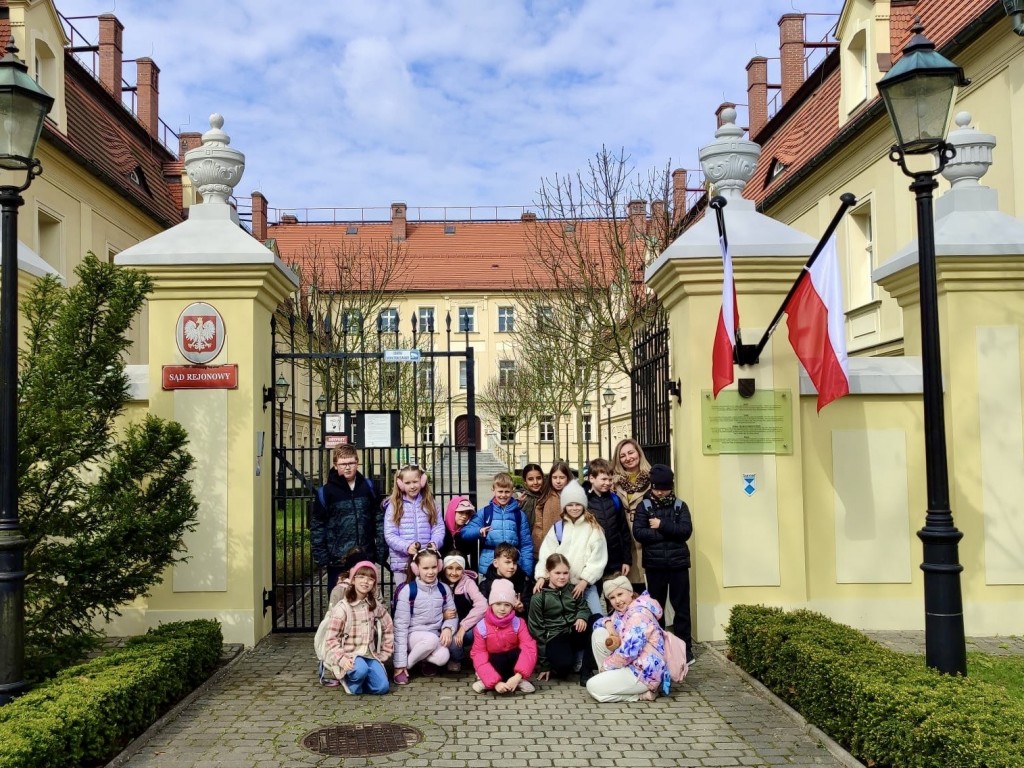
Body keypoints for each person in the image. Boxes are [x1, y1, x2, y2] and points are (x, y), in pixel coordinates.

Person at [633, 463, 695, 665]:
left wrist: (662, 526)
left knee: (681, 608)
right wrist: (670, 534)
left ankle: (685, 649)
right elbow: (639, 533)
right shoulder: (645, 506)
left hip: (678, 565)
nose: (660, 492)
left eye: (664, 488)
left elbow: (685, 532)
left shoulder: (680, 506)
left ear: (671, 487)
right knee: (656, 608)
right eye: (656, 488)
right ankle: (657, 645)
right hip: (655, 565)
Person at [311, 446, 385, 592]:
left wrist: (381, 550)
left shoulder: (369, 487)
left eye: (351, 463)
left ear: (357, 462)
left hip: (365, 555)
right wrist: (322, 556)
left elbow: (379, 519)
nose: (347, 467)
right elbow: (317, 526)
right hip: (338, 560)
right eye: (343, 464)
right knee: (339, 600)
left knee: (367, 600)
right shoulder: (325, 492)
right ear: (335, 465)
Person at [586, 575, 668, 703]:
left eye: (620, 594)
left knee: (593, 687)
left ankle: (641, 694)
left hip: (645, 672)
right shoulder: (621, 613)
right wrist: (607, 623)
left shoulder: (638, 615)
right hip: (632, 665)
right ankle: (612, 682)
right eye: (612, 597)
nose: (617, 600)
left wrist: (606, 667)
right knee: (599, 633)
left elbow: (628, 652)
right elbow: (597, 624)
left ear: (630, 593)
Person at [533, 480, 607, 617]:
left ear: (584, 505)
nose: (574, 508)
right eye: (570, 505)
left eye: (578, 504)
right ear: (564, 507)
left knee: (597, 618)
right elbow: (546, 555)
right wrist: (542, 576)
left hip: (585, 586)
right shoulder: (558, 528)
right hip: (561, 586)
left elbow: (598, 558)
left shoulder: (593, 528)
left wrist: (585, 581)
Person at [321, 561, 394, 694]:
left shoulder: (374, 605)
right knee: (360, 670)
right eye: (361, 577)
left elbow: (388, 625)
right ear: (353, 580)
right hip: (350, 655)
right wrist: (341, 659)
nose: (365, 581)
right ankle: (351, 682)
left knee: (382, 687)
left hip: (370, 654)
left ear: (374, 584)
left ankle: (364, 680)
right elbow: (331, 639)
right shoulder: (343, 608)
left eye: (370, 579)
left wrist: (385, 651)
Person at [391, 548, 458, 685]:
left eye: (434, 567)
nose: (431, 572)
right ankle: (404, 667)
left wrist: (447, 628)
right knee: (432, 640)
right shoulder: (408, 590)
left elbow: (452, 615)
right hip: (413, 636)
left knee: (443, 656)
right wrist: (399, 663)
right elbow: (400, 627)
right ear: (416, 569)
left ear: (439, 566)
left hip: (433, 635)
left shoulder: (443, 589)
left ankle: (423, 661)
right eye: (425, 568)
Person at [528, 554, 593, 682]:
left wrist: (582, 617)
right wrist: (544, 664)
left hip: (574, 631)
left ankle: (586, 670)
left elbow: (584, 608)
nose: (562, 577)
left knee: (596, 620)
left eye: (565, 573)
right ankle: (565, 659)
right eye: (557, 573)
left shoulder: (573, 589)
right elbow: (536, 631)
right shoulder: (539, 597)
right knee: (564, 668)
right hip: (555, 636)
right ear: (548, 573)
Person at [470, 579, 538, 694]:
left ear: (512, 606)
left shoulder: (519, 623)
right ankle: (489, 682)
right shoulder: (481, 627)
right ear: (491, 604)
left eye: (507, 605)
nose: (502, 609)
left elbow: (529, 648)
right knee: (496, 658)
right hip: (494, 662)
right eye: (498, 604)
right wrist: (495, 683)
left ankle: (517, 680)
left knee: (518, 652)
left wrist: (517, 676)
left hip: (512, 663)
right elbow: (478, 654)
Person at [461, 472, 534, 577]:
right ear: (493, 490)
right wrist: (478, 531)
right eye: (500, 491)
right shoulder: (485, 512)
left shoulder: (519, 515)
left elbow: (526, 545)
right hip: (489, 566)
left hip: (513, 567)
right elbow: (465, 532)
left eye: (507, 492)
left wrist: (526, 572)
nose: (503, 495)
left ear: (512, 491)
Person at [384, 465, 444, 587]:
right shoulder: (394, 506)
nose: (412, 486)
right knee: (404, 598)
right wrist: (406, 547)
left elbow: (438, 528)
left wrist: (435, 542)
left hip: (426, 562)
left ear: (422, 481)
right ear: (400, 484)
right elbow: (390, 534)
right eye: (408, 482)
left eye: (415, 481)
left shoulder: (430, 504)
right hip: (402, 563)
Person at [585, 458, 632, 601]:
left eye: (610, 479)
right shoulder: (585, 501)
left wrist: (626, 560)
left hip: (614, 561)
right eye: (604, 479)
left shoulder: (615, 500)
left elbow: (624, 531)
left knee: (616, 600)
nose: (608, 483)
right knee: (593, 600)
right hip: (593, 561)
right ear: (591, 478)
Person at [612, 439, 653, 593]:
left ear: (638, 453)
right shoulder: (613, 482)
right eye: (622, 456)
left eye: (631, 453)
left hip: (645, 537)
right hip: (623, 537)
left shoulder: (652, 479)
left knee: (646, 587)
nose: (627, 458)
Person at [440, 552, 487, 673]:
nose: (454, 573)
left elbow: (482, 605)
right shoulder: (438, 583)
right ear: (444, 568)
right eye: (450, 568)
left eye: (458, 569)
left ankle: (459, 658)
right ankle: (455, 656)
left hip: (466, 627)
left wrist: (463, 626)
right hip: (445, 627)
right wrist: (442, 616)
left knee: (458, 640)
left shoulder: (467, 583)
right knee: (451, 641)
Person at [479, 542, 534, 616]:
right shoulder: (485, 585)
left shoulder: (523, 582)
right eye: (507, 562)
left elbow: (530, 604)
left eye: (514, 563)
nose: (512, 566)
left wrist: (522, 607)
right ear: (496, 563)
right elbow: (481, 609)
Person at [532, 461, 572, 552]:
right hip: (549, 547)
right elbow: (538, 525)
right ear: (550, 478)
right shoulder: (545, 497)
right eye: (554, 477)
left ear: (568, 478)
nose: (558, 481)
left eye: (562, 477)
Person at [442, 495, 478, 570]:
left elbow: (472, 555)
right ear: (452, 511)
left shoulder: (467, 531)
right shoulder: (441, 529)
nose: (464, 516)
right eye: (461, 512)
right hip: (442, 571)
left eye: (467, 513)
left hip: (462, 571)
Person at [517, 463, 545, 534]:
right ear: (525, 481)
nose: (535, 482)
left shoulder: (546, 497)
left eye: (538, 478)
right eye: (530, 479)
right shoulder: (519, 497)